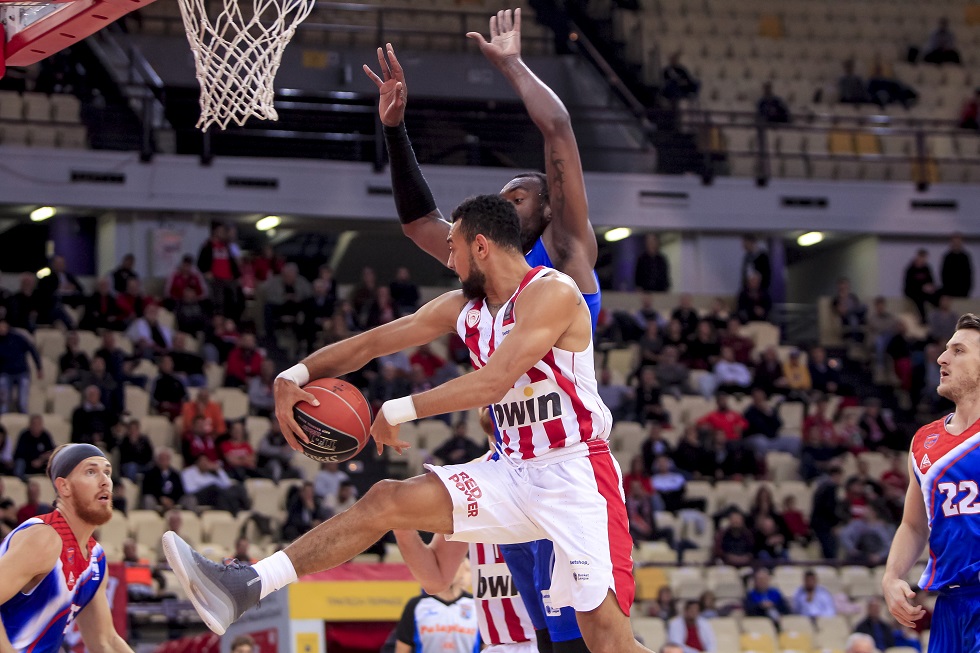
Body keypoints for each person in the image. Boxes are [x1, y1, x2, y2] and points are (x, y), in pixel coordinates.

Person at [163, 194, 644, 652]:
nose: (450, 262)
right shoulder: (464, 309)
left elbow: (493, 383)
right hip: (515, 471)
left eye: (454, 249)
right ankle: (245, 586)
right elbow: (372, 342)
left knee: (607, 644)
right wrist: (296, 374)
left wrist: (399, 408)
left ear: (481, 246)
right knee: (386, 499)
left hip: (576, 476)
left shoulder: (551, 292)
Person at [364, 13, 602, 651]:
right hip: (512, 469)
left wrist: (512, 66)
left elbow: (557, 130)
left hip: (564, 470)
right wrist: (393, 129)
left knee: (585, 639)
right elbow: (420, 222)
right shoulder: (481, 273)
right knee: (547, 642)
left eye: (518, 197)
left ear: (548, 207)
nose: (504, 205)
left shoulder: (569, 261)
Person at [882, 318, 980, 649]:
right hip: (950, 607)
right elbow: (913, 525)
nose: (941, 358)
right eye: (945, 349)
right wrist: (891, 577)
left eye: (958, 350)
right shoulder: (924, 440)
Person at [0, 443, 134, 652]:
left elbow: (105, 641)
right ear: (64, 487)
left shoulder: (96, 559)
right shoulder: (44, 538)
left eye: (107, 472)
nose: (105, 481)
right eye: (91, 472)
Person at [394, 559, 480, 652]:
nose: (450, 569)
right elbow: (403, 646)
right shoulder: (417, 605)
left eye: (455, 563)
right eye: (444, 564)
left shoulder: (477, 605)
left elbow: (487, 645)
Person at [0, 318, 42, 414]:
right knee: (4, 403)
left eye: (3, 326)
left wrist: (39, 368)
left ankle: (24, 419)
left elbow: (33, 350)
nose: (1, 329)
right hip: (5, 373)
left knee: (23, 403)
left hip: (22, 372)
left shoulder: (18, 338)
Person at [904, 248, 937, 323]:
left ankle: (937, 318)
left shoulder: (926, 268)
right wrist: (922, 287)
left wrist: (930, 287)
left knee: (937, 295)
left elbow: (931, 281)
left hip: (925, 292)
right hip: (913, 292)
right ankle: (923, 319)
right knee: (920, 299)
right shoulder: (911, 269)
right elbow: (909, 285)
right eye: (922, 258)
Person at [940, 233, 972, 298]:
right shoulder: (947, 257)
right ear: (951, 243)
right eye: (954, 242)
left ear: (961, 243)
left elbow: (968, 274)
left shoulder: (965, 257)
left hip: (963, 291)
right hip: (949, 291)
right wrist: (946, 289)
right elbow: (944, 274)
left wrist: (967, 288)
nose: (956, 244)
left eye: (958, 242)